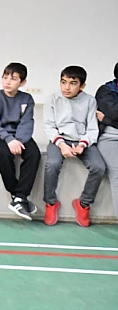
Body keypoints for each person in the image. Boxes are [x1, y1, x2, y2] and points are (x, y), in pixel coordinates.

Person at [43, 66, 105, 227]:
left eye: (72, 83)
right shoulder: (52, 99)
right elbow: (49, 127)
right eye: (63, 82)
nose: (67, 87)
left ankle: (83, 204)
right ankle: (50, 203)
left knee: (99, 167)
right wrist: (62, 145)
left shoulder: (90, 101)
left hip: (82, 141)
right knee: (52, 164)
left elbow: (92, 129)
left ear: (82, 86)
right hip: (59, 140)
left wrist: (83, 145)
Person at [0, 63, 40, 220]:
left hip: (19, 136)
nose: (8, 82)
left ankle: (20, 197)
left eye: (13, 78)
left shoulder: (27, 99)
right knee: (3, 153)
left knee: (34, 154)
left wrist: (19, 140)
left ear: (22, 83)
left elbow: (27, 122)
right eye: (5, 77)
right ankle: (16, 193)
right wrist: (9, 140)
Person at [94, 63, 118, 218]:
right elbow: (114, 112)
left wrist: (108, 120)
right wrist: (111, 120)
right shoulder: (106, 91)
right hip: (110, 138)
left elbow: (112, 116)